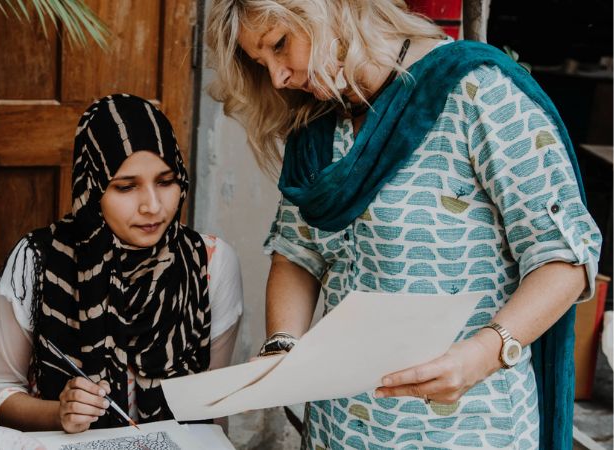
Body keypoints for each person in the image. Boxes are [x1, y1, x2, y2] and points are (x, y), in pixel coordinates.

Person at [206, 1, 602, 448]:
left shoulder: (477, 93)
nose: (279, 76)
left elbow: (565, 256)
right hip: (340, 428)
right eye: (263, 63)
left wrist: (484, 353)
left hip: (465, 427)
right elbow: (298, 254)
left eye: (280, 45)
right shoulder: (318, 123)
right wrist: (283, 347)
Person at [0, 94, 243, 433]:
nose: (152, 206)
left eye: (166, 181)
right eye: (126, 187)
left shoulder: (210, 263)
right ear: (92, 187)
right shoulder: (38, 261)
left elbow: (215, 408)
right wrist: (59, 412)